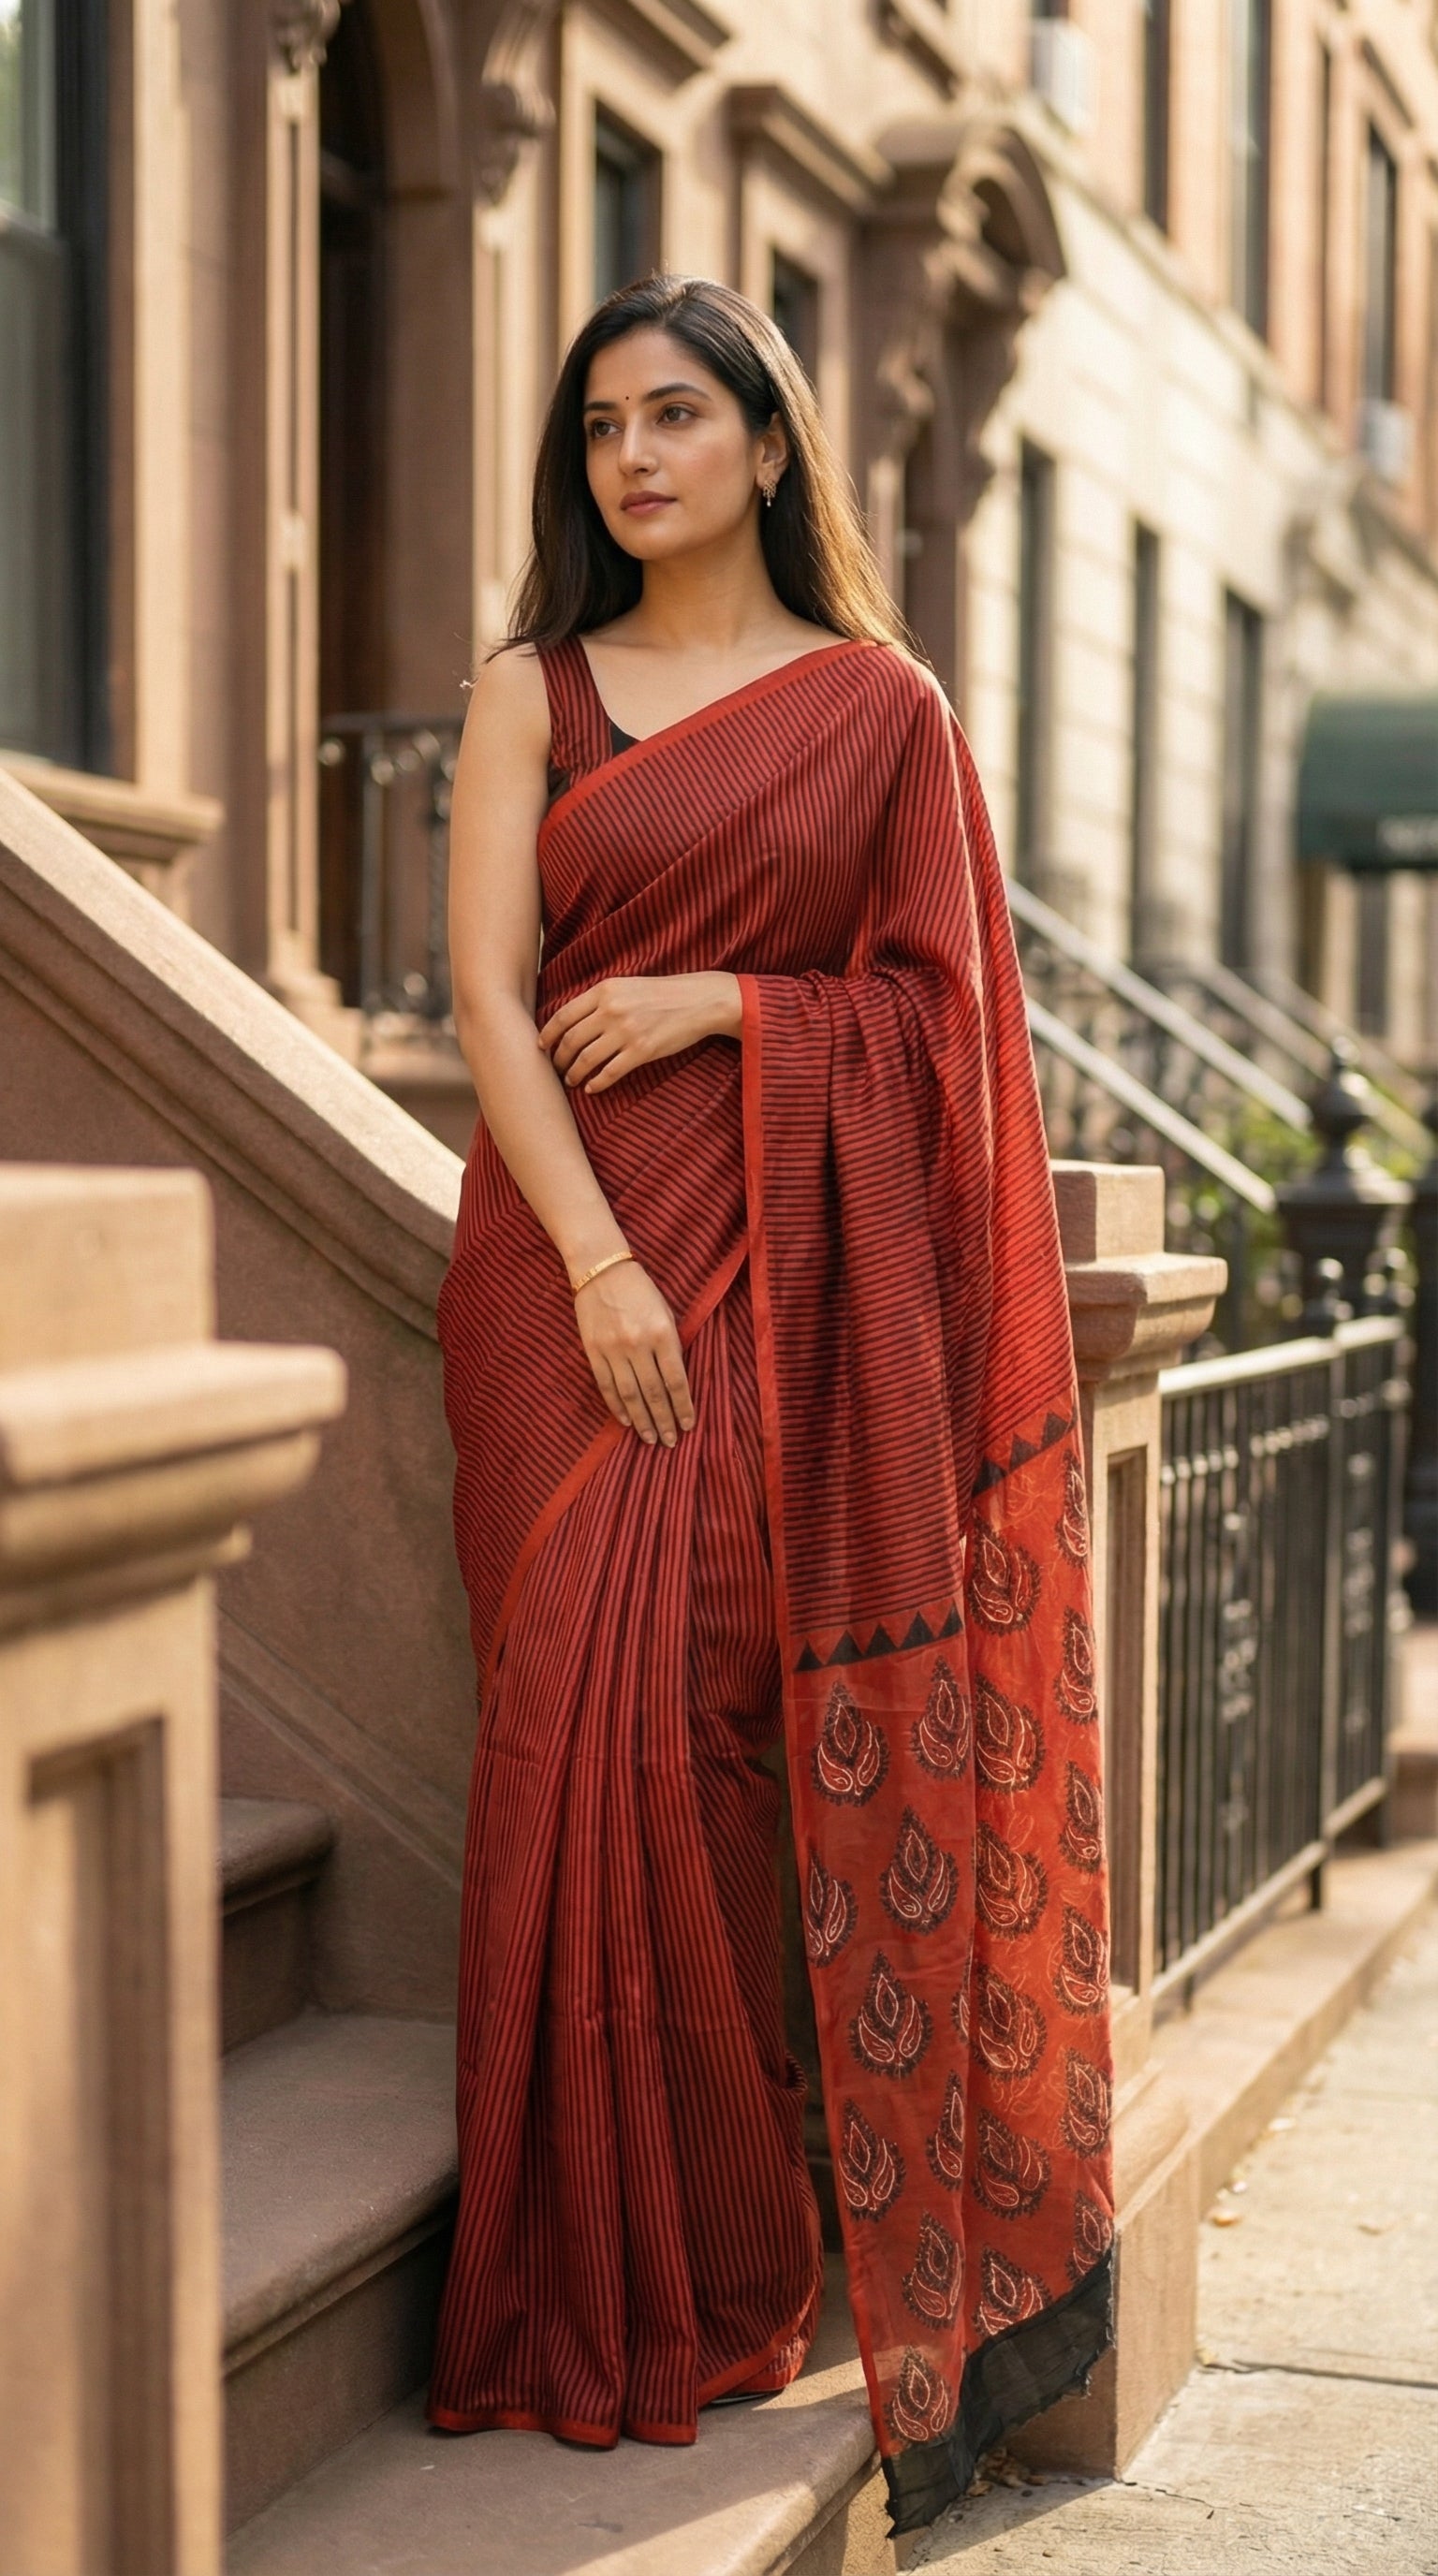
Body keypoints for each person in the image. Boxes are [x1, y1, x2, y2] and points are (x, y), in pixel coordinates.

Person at [428, 272, 1114, 2537]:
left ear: (766, 442)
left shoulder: (878, 710)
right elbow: (487, 1003)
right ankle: (570, 2273)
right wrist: (604, 1263)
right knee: (569, 1711)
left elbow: (949, 1028)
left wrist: (739, 1000)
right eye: (604, 423)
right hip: (563, 1261)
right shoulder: (531, 689)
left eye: (680, 415)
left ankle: (731, 2252)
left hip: (780, 1268)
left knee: (708, 1698)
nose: (636, 457)